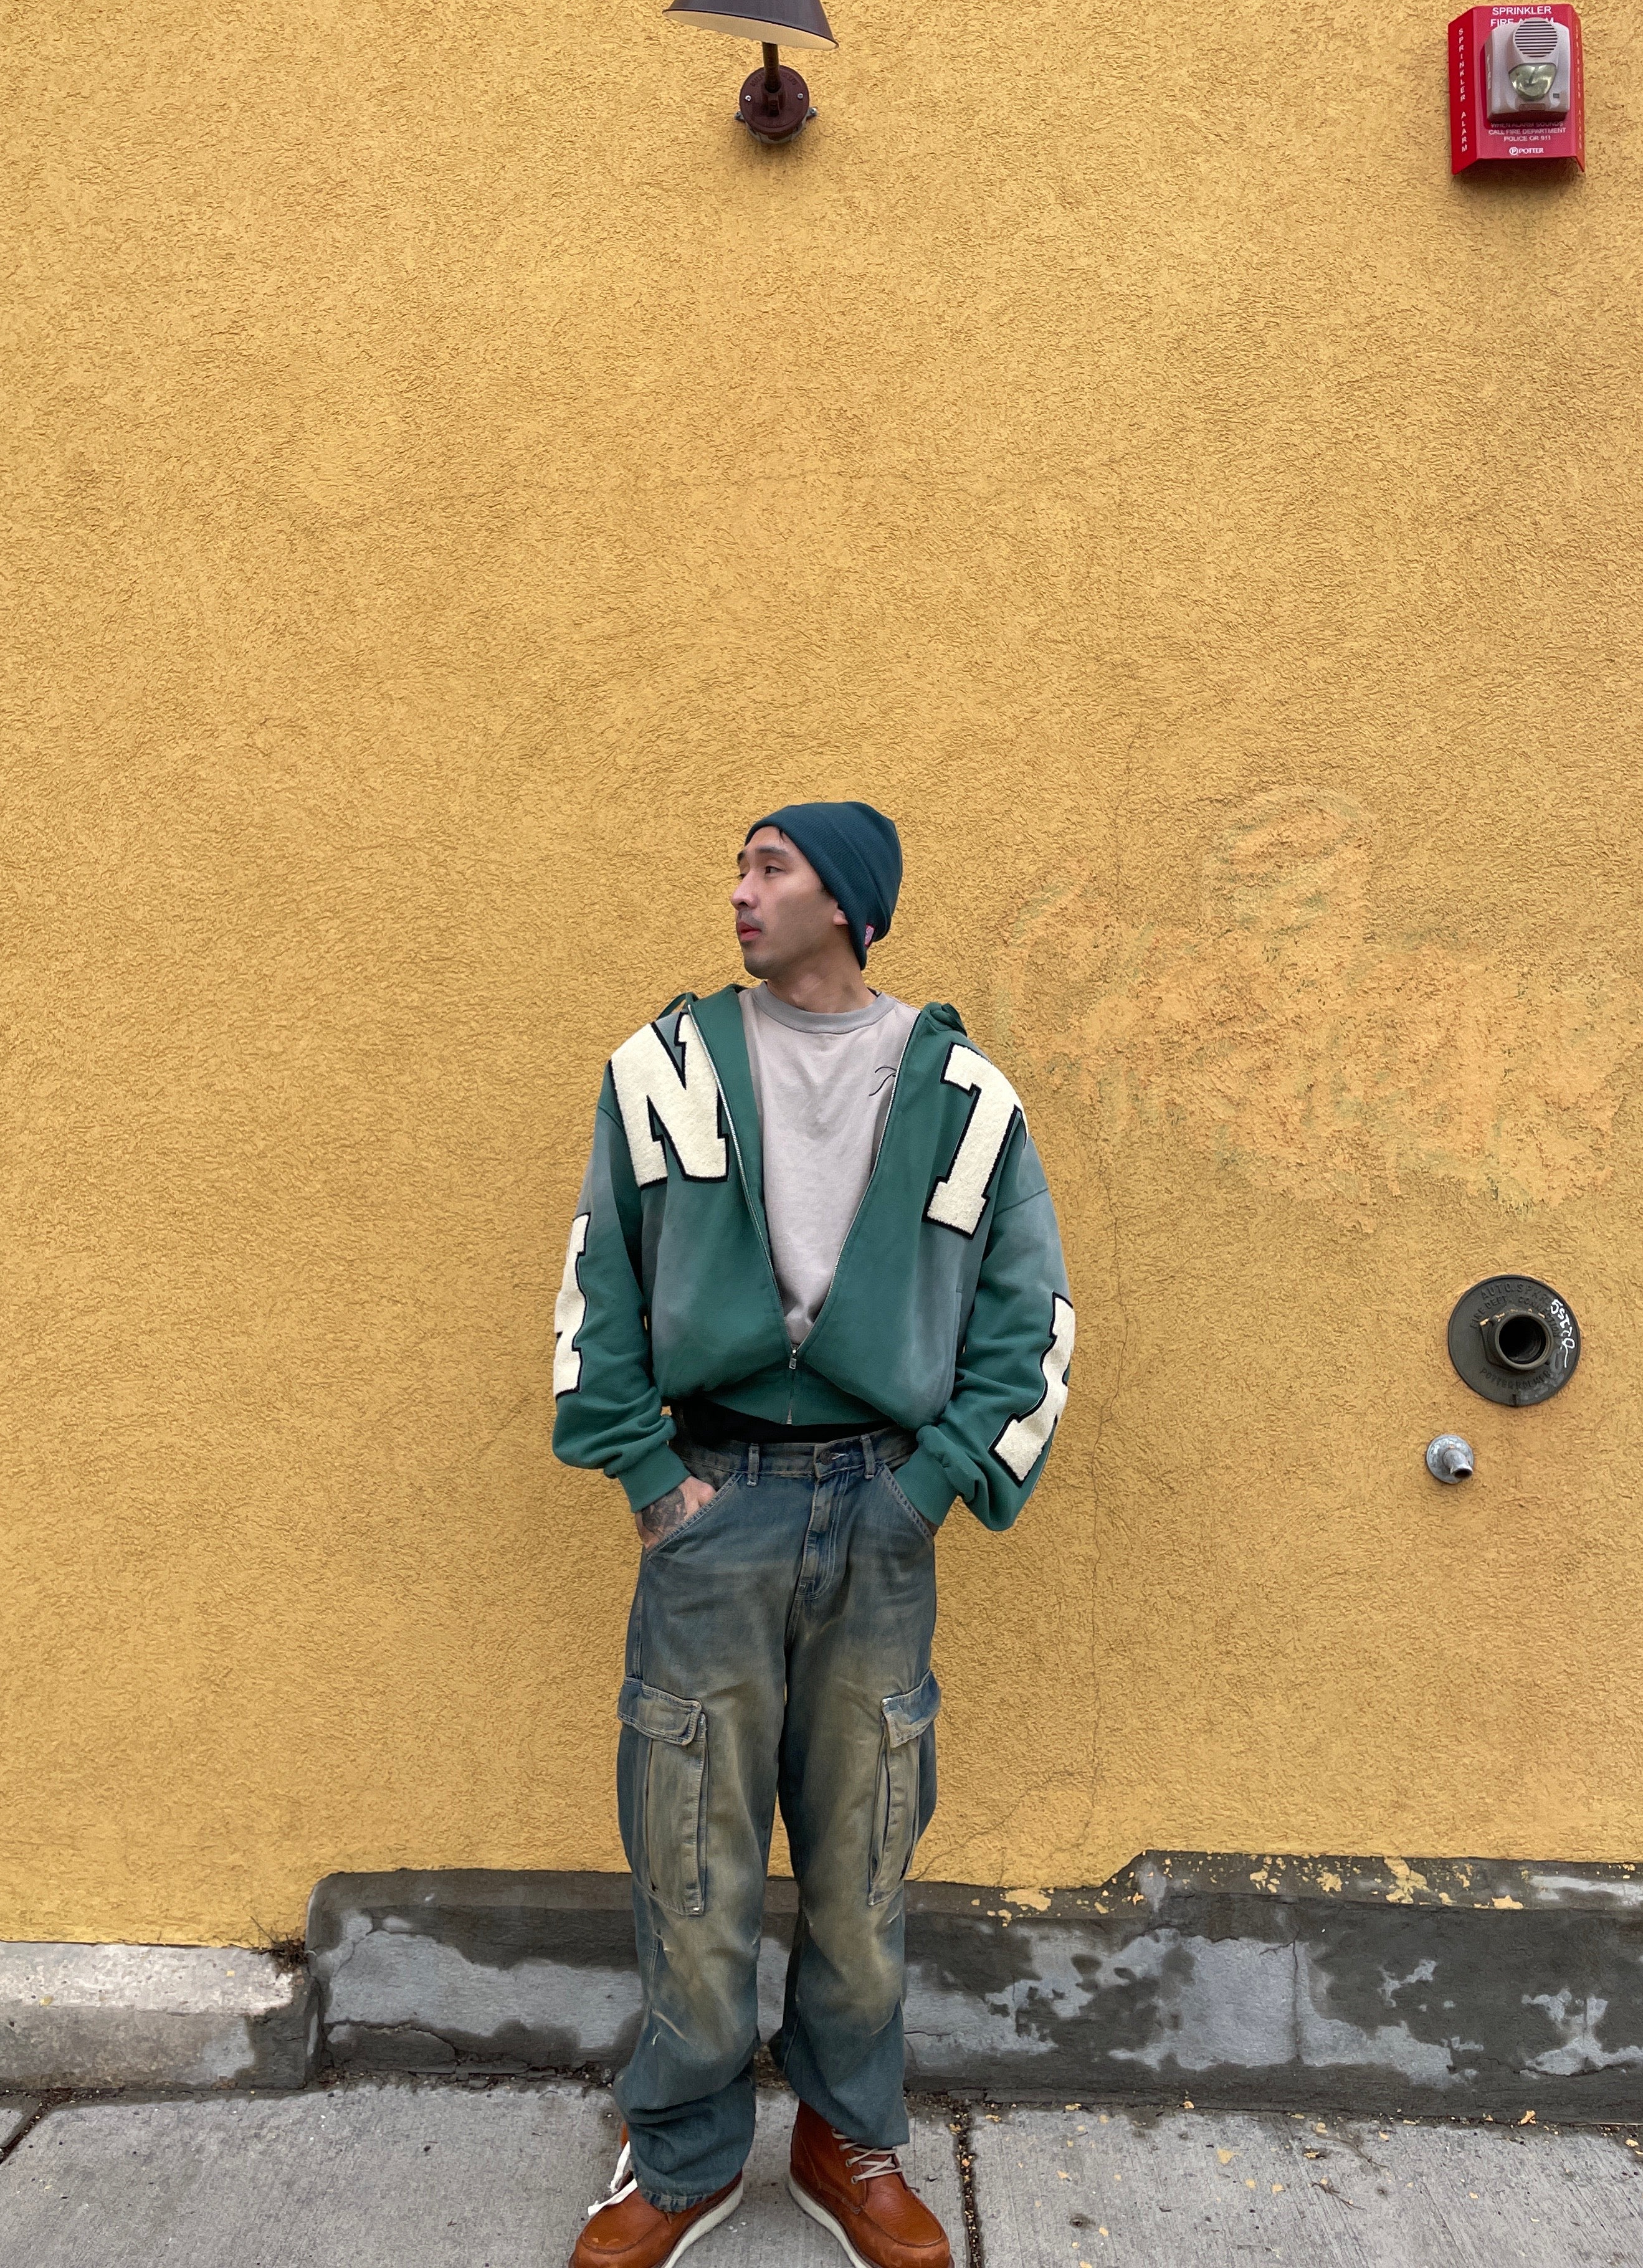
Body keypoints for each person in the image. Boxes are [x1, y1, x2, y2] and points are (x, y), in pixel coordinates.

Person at [553, 802, 1074, 2268]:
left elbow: (1030, 1318)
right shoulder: (661, 1071)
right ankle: (684, 2155)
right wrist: (652, 1482)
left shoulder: (963, 1096)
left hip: (881, 1511)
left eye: (769, 868)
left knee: (865, 1858)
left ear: (847, 900)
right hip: (710, 1503)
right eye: (739, 866)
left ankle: (847, 2141)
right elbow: (598, 1288)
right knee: (689, 1856)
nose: (739, 891)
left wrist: (933, 1487)